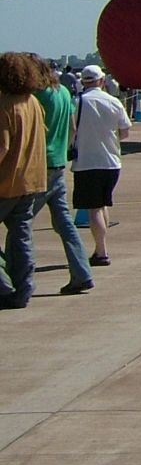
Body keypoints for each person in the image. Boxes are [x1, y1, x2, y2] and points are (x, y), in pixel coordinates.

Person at [31, 57, 93, 294]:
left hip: (38, 164)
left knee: (21, 223)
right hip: (58, 162)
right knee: (65, 223)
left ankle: (16, 278)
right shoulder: (64, 93)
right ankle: (81, 272)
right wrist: (64, 149)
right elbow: (73, 129)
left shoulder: (37, 96)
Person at [0, 52, 50, 309]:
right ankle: (24, 288)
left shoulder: (5, 106)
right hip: (32, 181)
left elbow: (2, 147)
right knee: (21, 236)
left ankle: (4, 286)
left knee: (20, 237)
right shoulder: (33, 103)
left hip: (7, 183)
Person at [72, 64, 131, 267]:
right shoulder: (113, 101)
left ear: (83, 82)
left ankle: (101, 251)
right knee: (103, 203)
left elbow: (72, 131)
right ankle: (102, 247)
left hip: (88, 162)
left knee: (94, 209)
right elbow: (125, 131)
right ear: (101, 81)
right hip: (112, 162)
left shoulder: (78, 102)